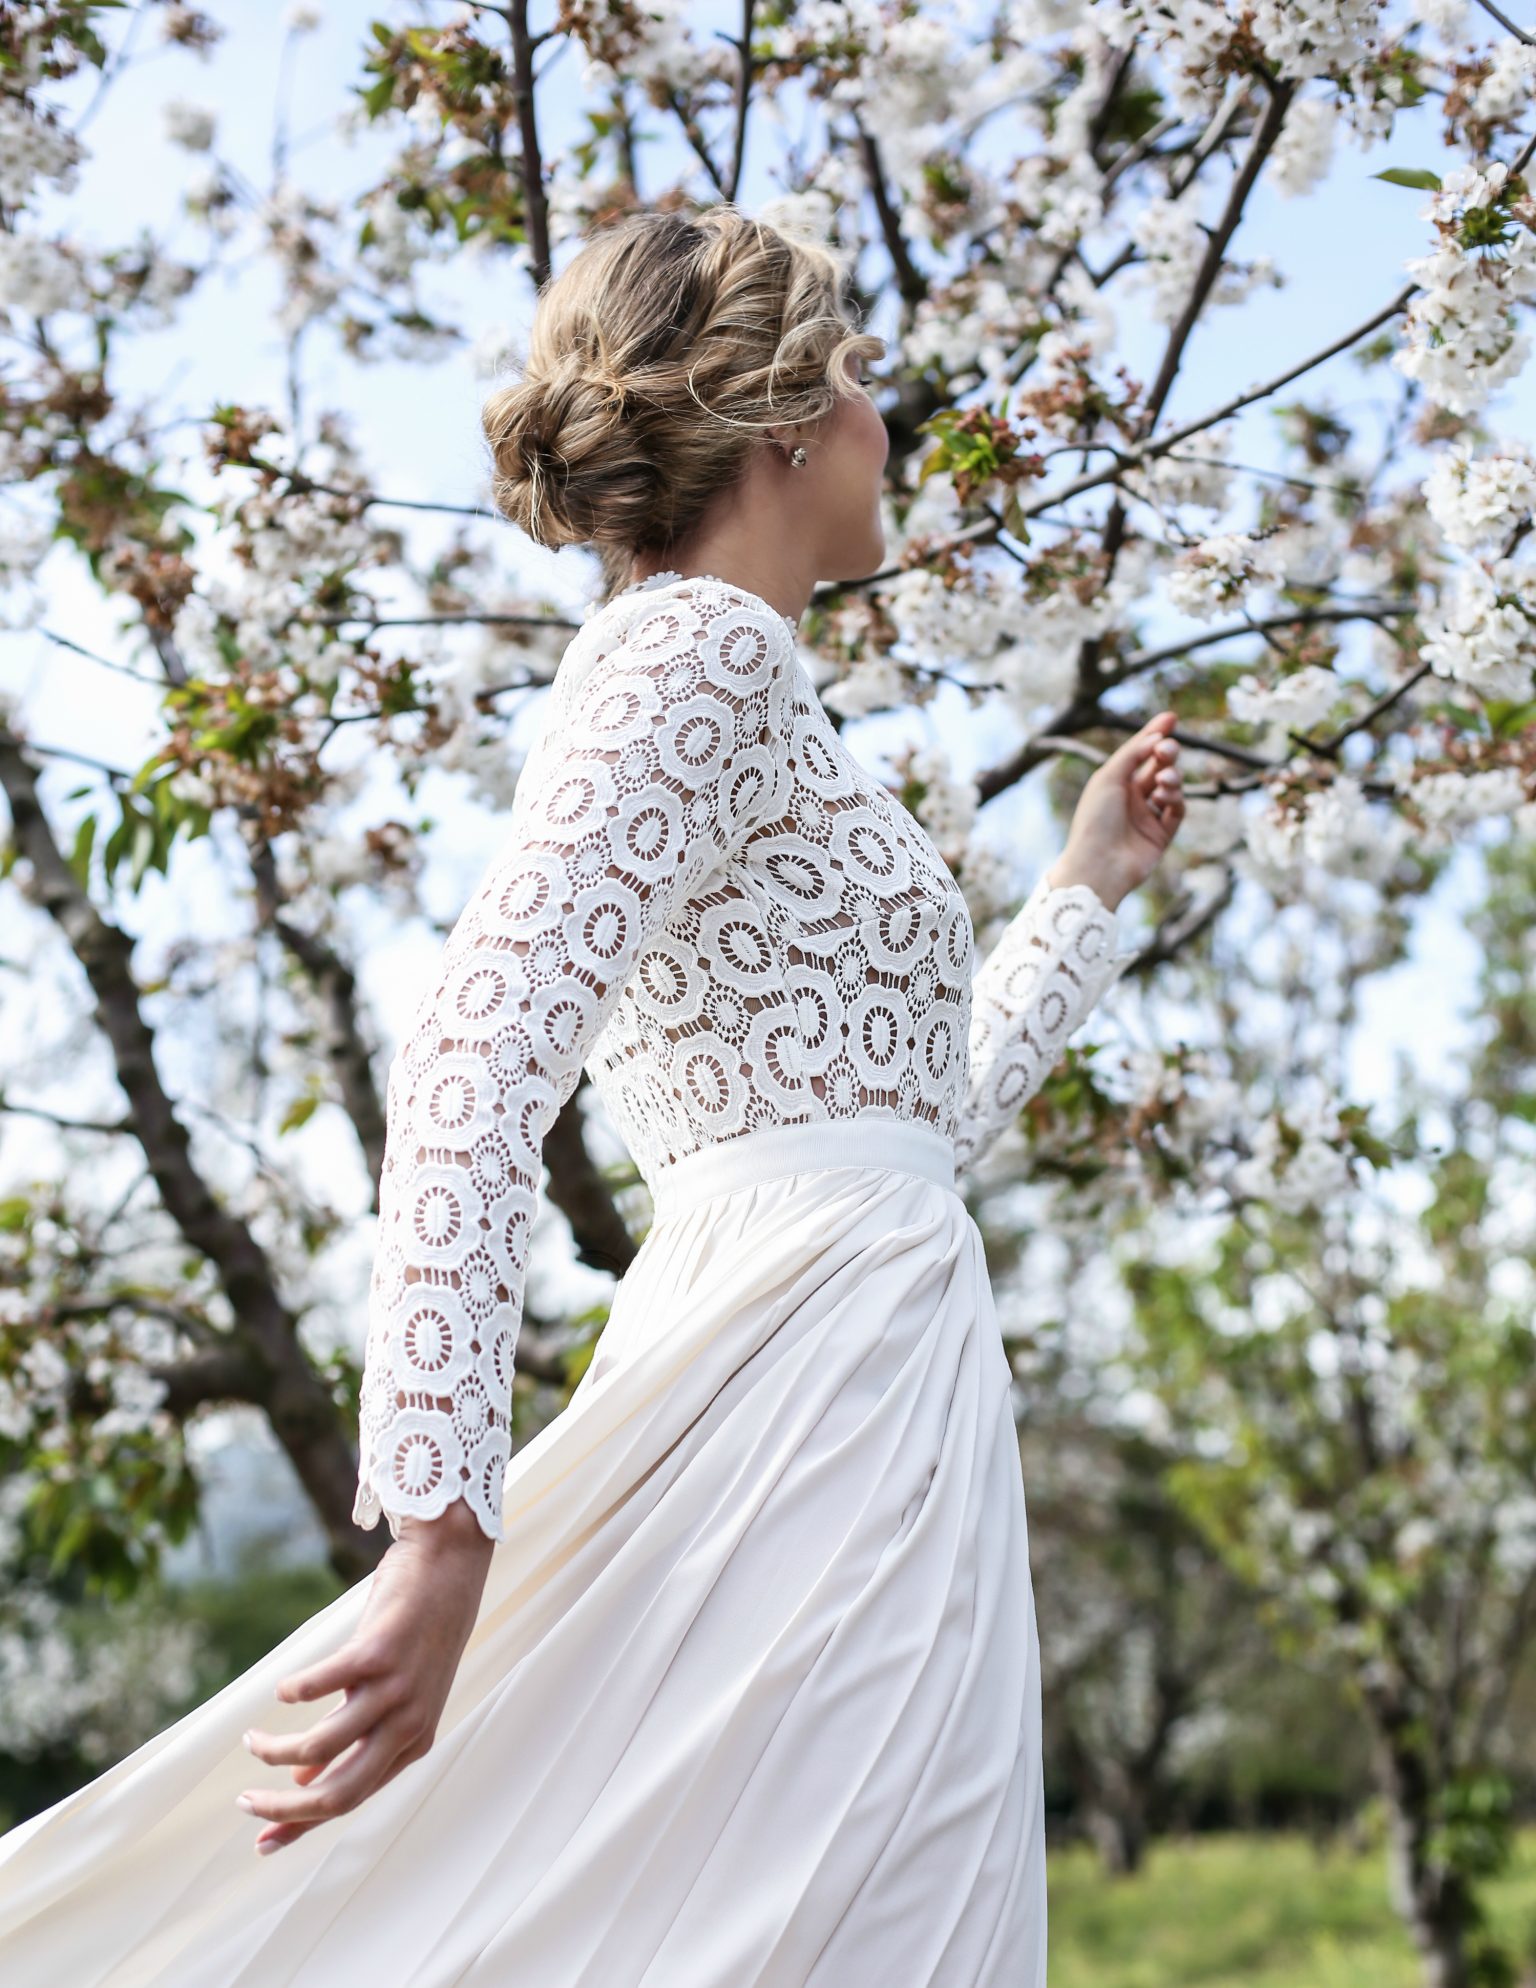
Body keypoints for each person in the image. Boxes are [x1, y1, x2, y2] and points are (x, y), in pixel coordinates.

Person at [0, 204, 1184, 1985]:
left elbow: (910, 1134)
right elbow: (474, 1051)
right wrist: (438, 1523)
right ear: (783, 418)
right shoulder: (692, 651)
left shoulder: (751, 681)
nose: (886, 415)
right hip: (800, 1392)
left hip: (887, 1358)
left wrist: (1085, 891)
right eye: (858, 373)